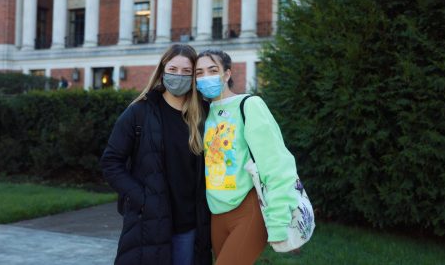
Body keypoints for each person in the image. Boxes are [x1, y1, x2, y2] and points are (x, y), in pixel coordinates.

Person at [100, 44, 212, 265]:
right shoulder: (139, 112)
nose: (178, 76)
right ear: (162, 71)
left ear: (193, 77)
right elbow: (111, 162)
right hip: (148, 223)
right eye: (173, 69)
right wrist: (143, 199)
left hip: (189, 227)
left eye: (186, 71)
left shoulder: (204, 115)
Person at [195, 49, 298, 264]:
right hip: (216, 212)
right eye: (199, 73)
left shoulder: (249, 105)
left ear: (227, 74)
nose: (206, 77)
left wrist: (278, 220)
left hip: (247, 208)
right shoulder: (205, 111)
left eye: (213, 70)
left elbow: (276, 163)